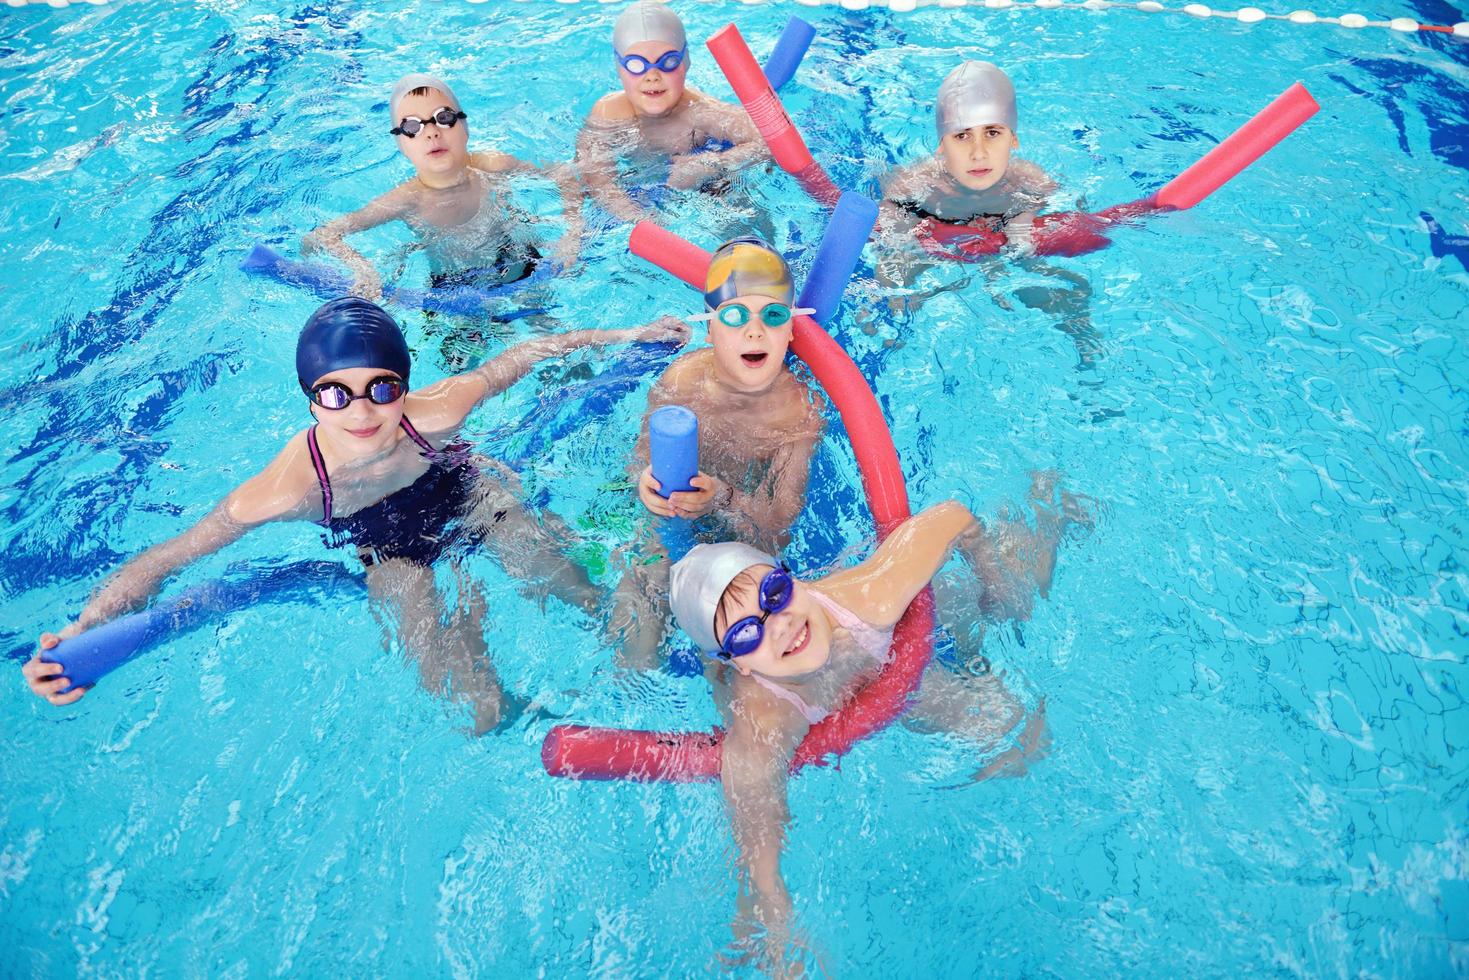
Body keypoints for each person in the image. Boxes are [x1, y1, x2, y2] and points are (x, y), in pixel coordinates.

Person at [23, 297, 688, 733]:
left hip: (461, 492)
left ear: (403, 384)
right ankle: (529, 715)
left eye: (381, 388)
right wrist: (86, 626)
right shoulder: (287, 487)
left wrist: (631, 334)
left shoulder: (438, 412)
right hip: (382, 548)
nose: (362, 411)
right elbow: (169, 557)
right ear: (310, 401)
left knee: (559, 577)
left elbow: (521, 358)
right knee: (464, 698)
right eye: (334, 394)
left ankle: (636, 670)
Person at [668, 488, 1082, 968]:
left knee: (1013, 635)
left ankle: (1048, 513)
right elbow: (757, 836)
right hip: (883, 685)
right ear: (736, 665)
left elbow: (952, 516)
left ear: (794, 580)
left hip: (895, 647)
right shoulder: (765, 714)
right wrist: (775, 926)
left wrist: (989, 572)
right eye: (747, 633)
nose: (777, 625)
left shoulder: (870, 596)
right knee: (1006, 735)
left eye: (774, 595)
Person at [611, 238, 824, 666]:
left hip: (741, 539)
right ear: (710, 328)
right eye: (735, 315)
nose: (754, 331)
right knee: (641, 628)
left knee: (748, 633)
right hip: (671, 521)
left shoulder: (799, 413)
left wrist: (723, 499)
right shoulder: (682, 380)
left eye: (774, 315)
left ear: (792, 328)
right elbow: (639, 458)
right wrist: (645, 482)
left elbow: (780, 525)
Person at [876, 61, 1102, 371]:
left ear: (1014, 138)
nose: (979, 153)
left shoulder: (1029, 180)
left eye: (992, 132)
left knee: (1071, 289)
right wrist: (905, 239)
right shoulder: (916, 184)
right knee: (891, 280)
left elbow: (1059, 208)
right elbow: (887, 226)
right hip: (938, 239)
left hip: (997, 239)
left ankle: (1089, 355)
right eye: (962, 136)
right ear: (941, 145)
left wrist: (1020, 225)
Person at [303, 74, 582, 308]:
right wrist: (362, 268)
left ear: (464, 127)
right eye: (411, 126)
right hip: (454, 289)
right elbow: (321, 236)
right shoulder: (405, 200)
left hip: (519, 260)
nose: (431, 132)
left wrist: (572, 234)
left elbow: (563, 173)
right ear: (401, 144)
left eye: (443, 117)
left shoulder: (494, 165)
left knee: (550, 335)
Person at [576, 2, 768, 225]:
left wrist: (713, 162)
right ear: (619, 68)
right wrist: (641, 221)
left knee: (742, 216)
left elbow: (770, 139)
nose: (652, 75)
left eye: (667, 61)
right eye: (637, 64)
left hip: (707, 185)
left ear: (685, 61)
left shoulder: (699, 112)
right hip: (642, 188)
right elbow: (596, 180)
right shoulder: (608, 113)